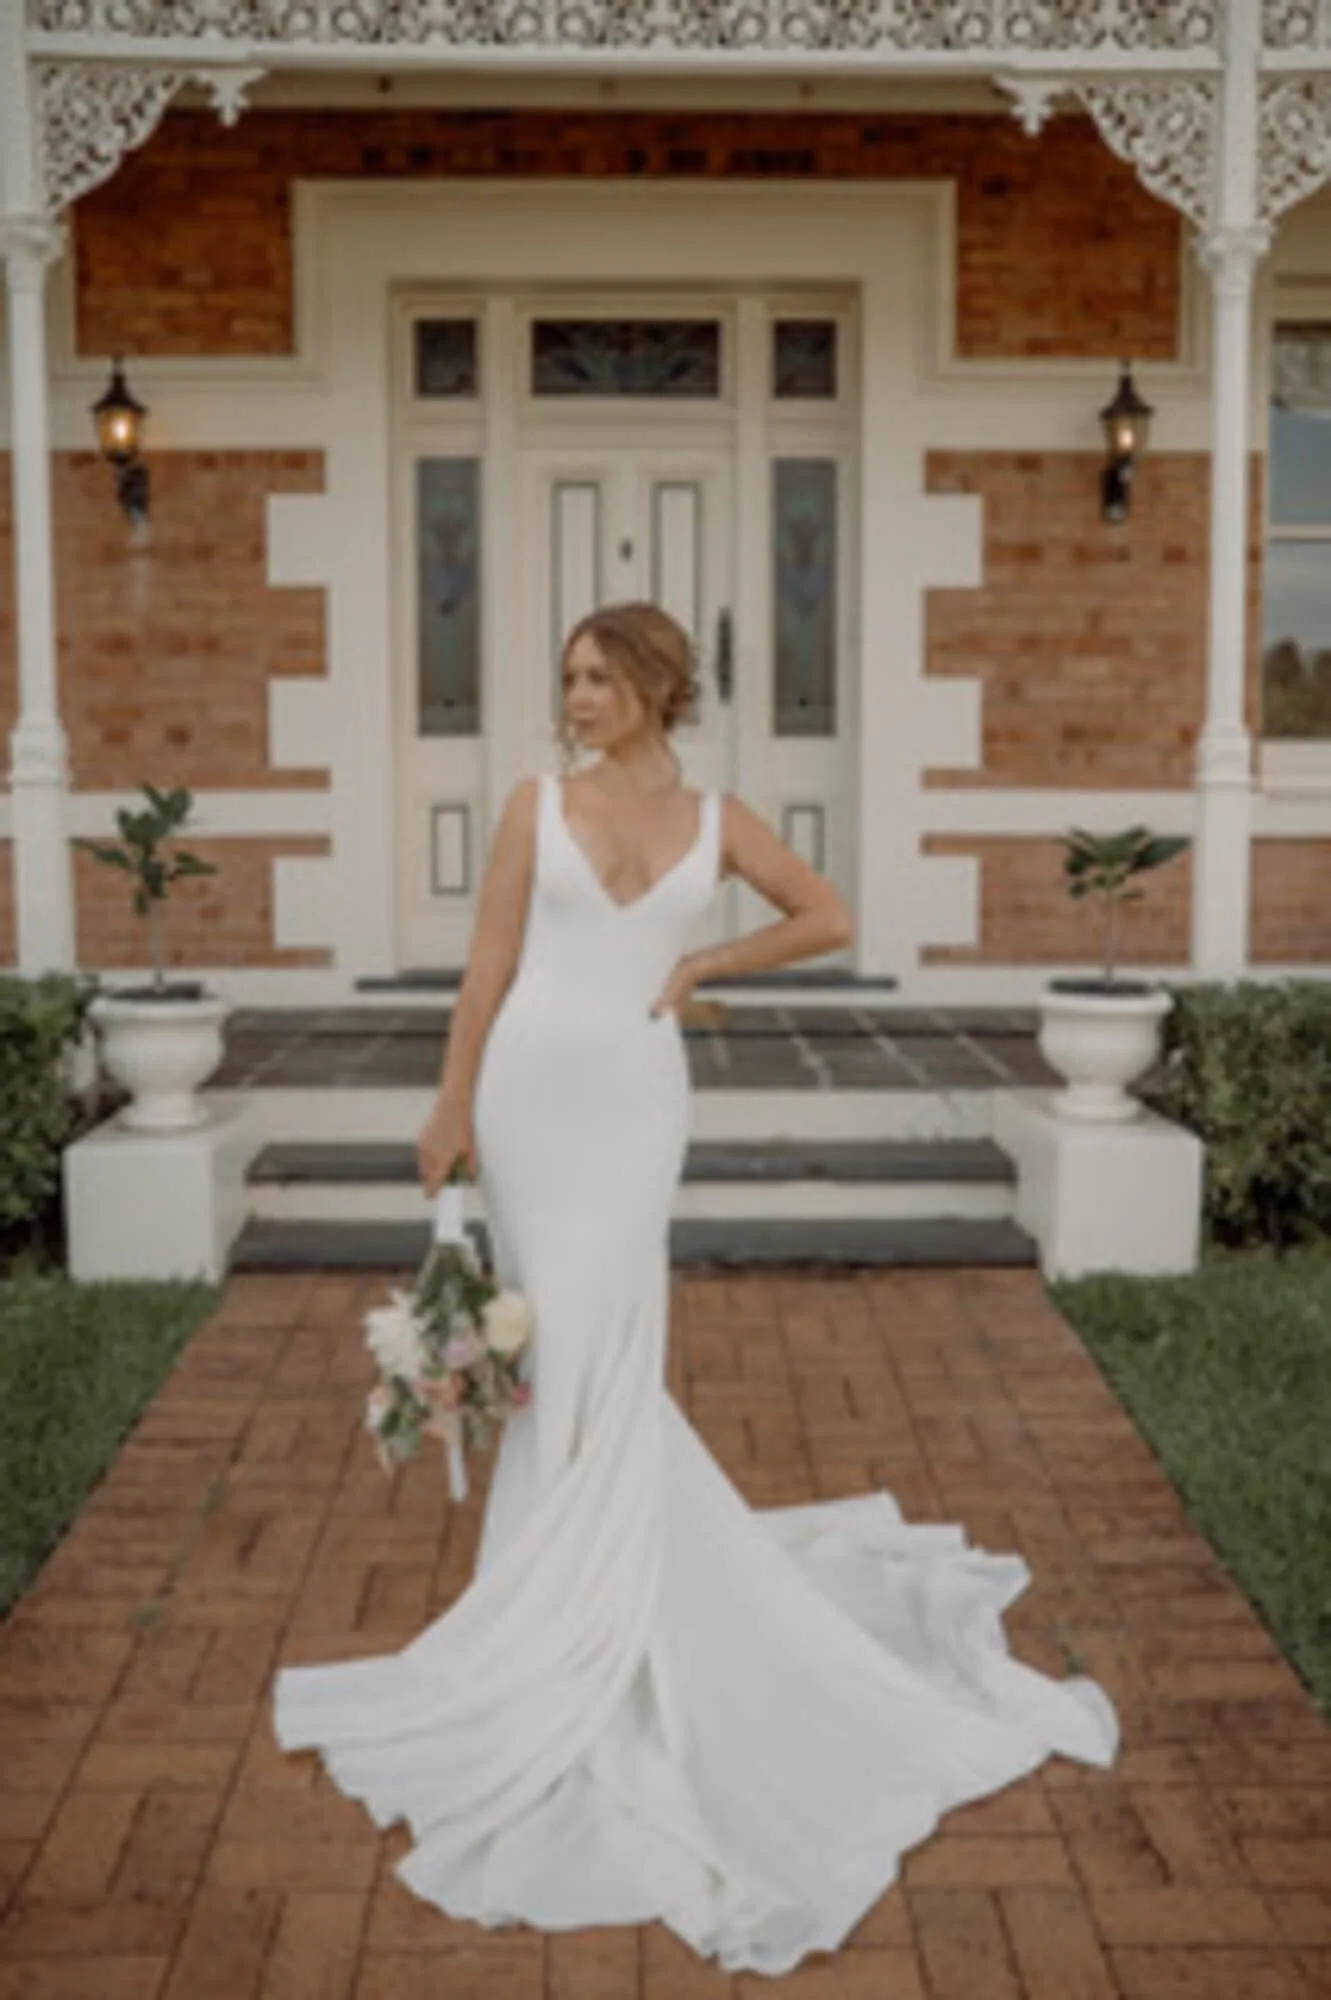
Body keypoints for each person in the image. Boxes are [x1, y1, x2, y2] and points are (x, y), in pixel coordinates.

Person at [273, 601, 1117, 1978]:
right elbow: (489, 964)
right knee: (560, 1339)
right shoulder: (533, 804)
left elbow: (826, 914)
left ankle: (599, 1602)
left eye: (599, 676)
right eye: (568, 677)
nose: (578, 696)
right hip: (534, 1094)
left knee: (611, 1337)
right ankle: (560, 1605)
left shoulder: (718, 817)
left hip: (634, 1104)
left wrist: (705, 961)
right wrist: (450, 1101)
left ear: (657, 684)